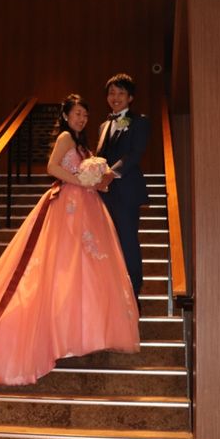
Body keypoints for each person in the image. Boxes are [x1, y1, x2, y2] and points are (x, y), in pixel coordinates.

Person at [0, 94, 140, 392]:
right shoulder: (64, 138)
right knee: (59, 267)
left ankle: (77, 334)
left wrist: (98, 180)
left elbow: (86, 173)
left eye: (85, 115)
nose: (81, 119)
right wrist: (81, 180)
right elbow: (52, 167)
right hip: (68, 206)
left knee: (84, 270)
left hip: (87, 207)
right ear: (66, 116)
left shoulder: (84, 146)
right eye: (76, 114)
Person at [96, 74, 150, 305]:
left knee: (128, 242)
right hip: (103, 194)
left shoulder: (140, 121)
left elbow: (135, 153)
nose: (115, 97)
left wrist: (111, 173)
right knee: (107, 243)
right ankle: (112, 294)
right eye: (111, 93)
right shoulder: (103, 125)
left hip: (126, 191)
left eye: (120, 93)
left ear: (130, 97)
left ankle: (133, 295)